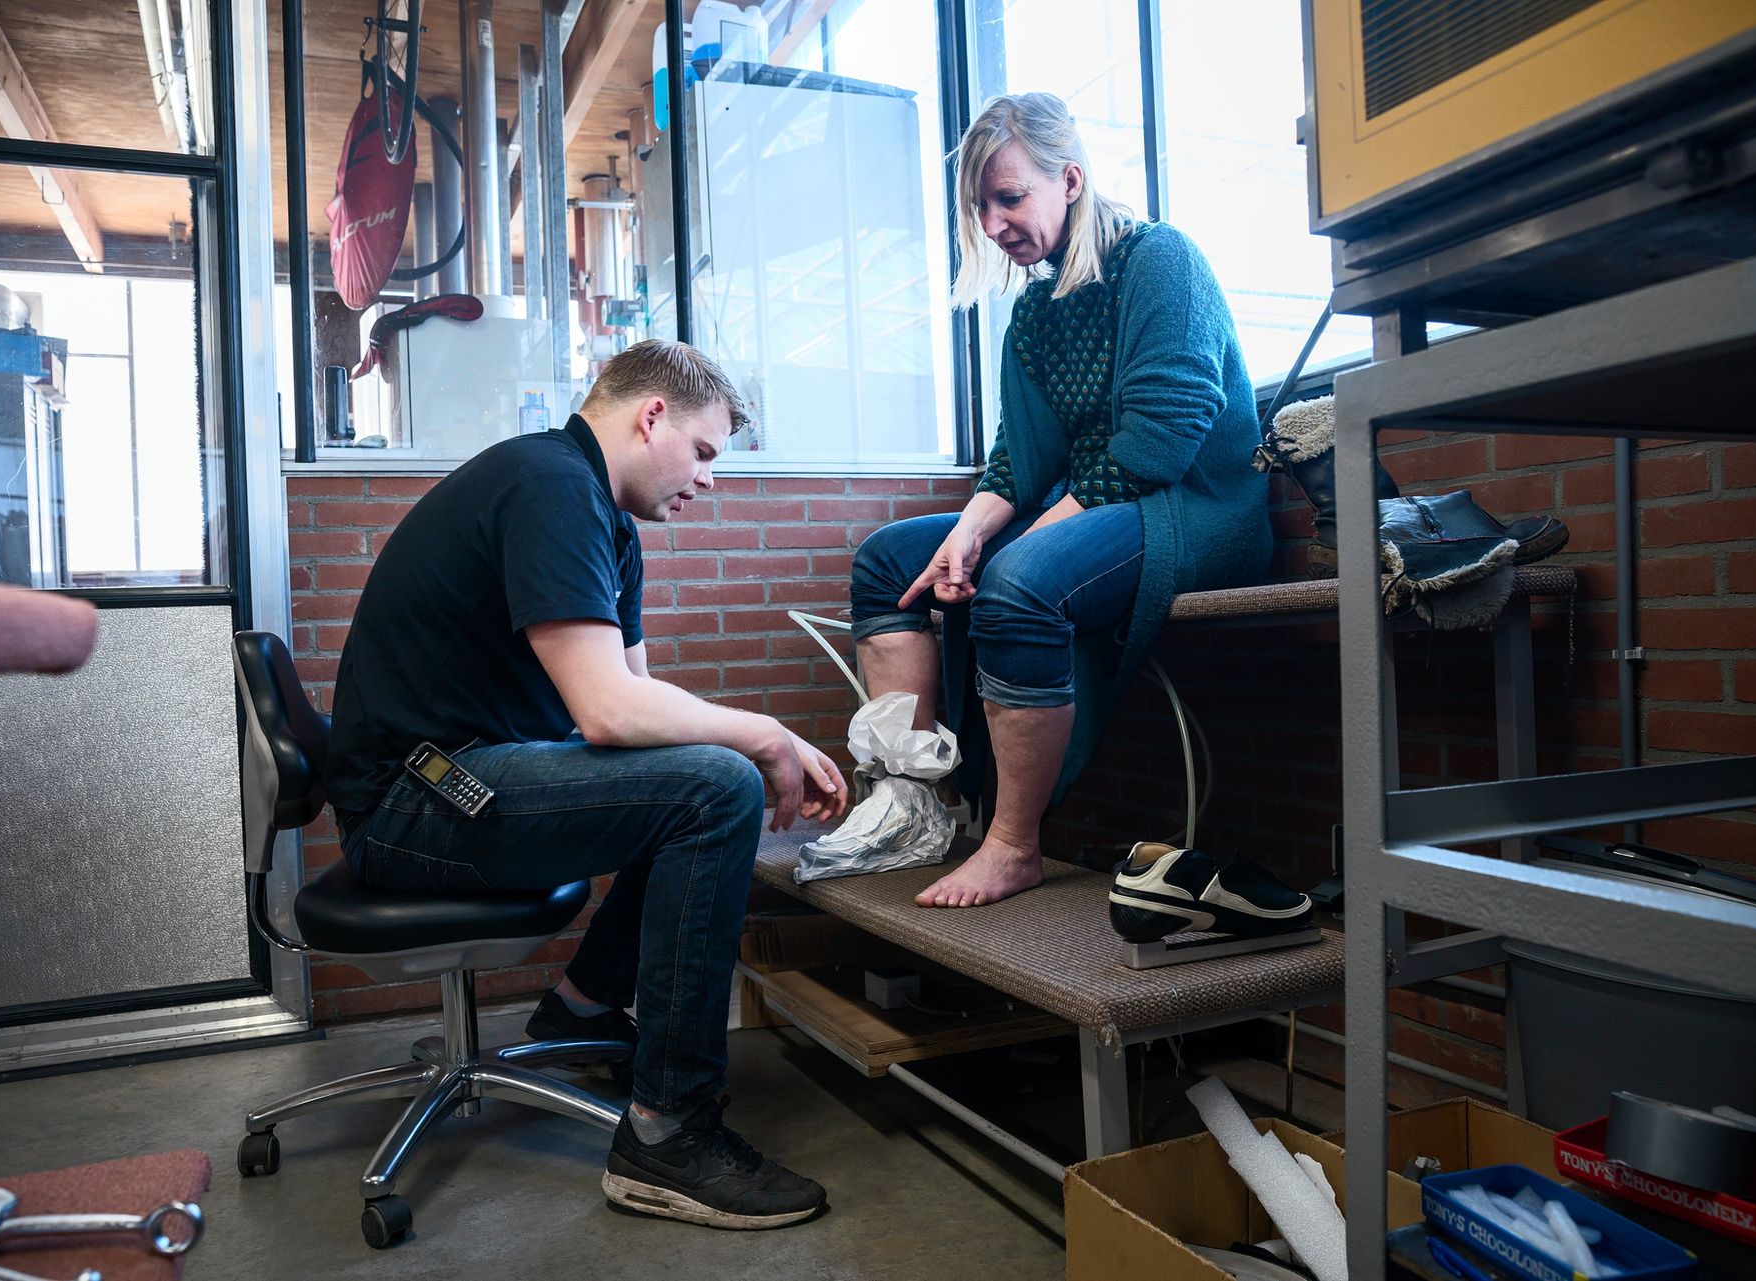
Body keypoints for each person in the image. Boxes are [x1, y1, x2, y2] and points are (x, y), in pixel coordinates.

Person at [324, 340, 847, 1229]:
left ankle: (580, 1009)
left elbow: (637, 706)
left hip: (458, 781)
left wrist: (765, 735)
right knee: (714, 788)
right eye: (707, 453)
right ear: (652, 418)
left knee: (696, 778)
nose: (710, 480)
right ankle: (668, 1137)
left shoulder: (605, 520)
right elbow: (607, 713)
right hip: (416, 798)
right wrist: (762, 733)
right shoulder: (548, 483)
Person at [839, 92, 1272, 909]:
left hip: (1198, 509)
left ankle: (1012, 844)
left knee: (1023, 578)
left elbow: (1161, 441)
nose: (995, 222)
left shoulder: (1159, 260)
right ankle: (913, 804)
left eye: (1010, 197)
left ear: (1069, 179)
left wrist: (1024, 541)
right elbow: (1018, 460)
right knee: (888, 562)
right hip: (1106, 504)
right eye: (981, 206)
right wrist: (965, 536)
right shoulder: (1035, 314)